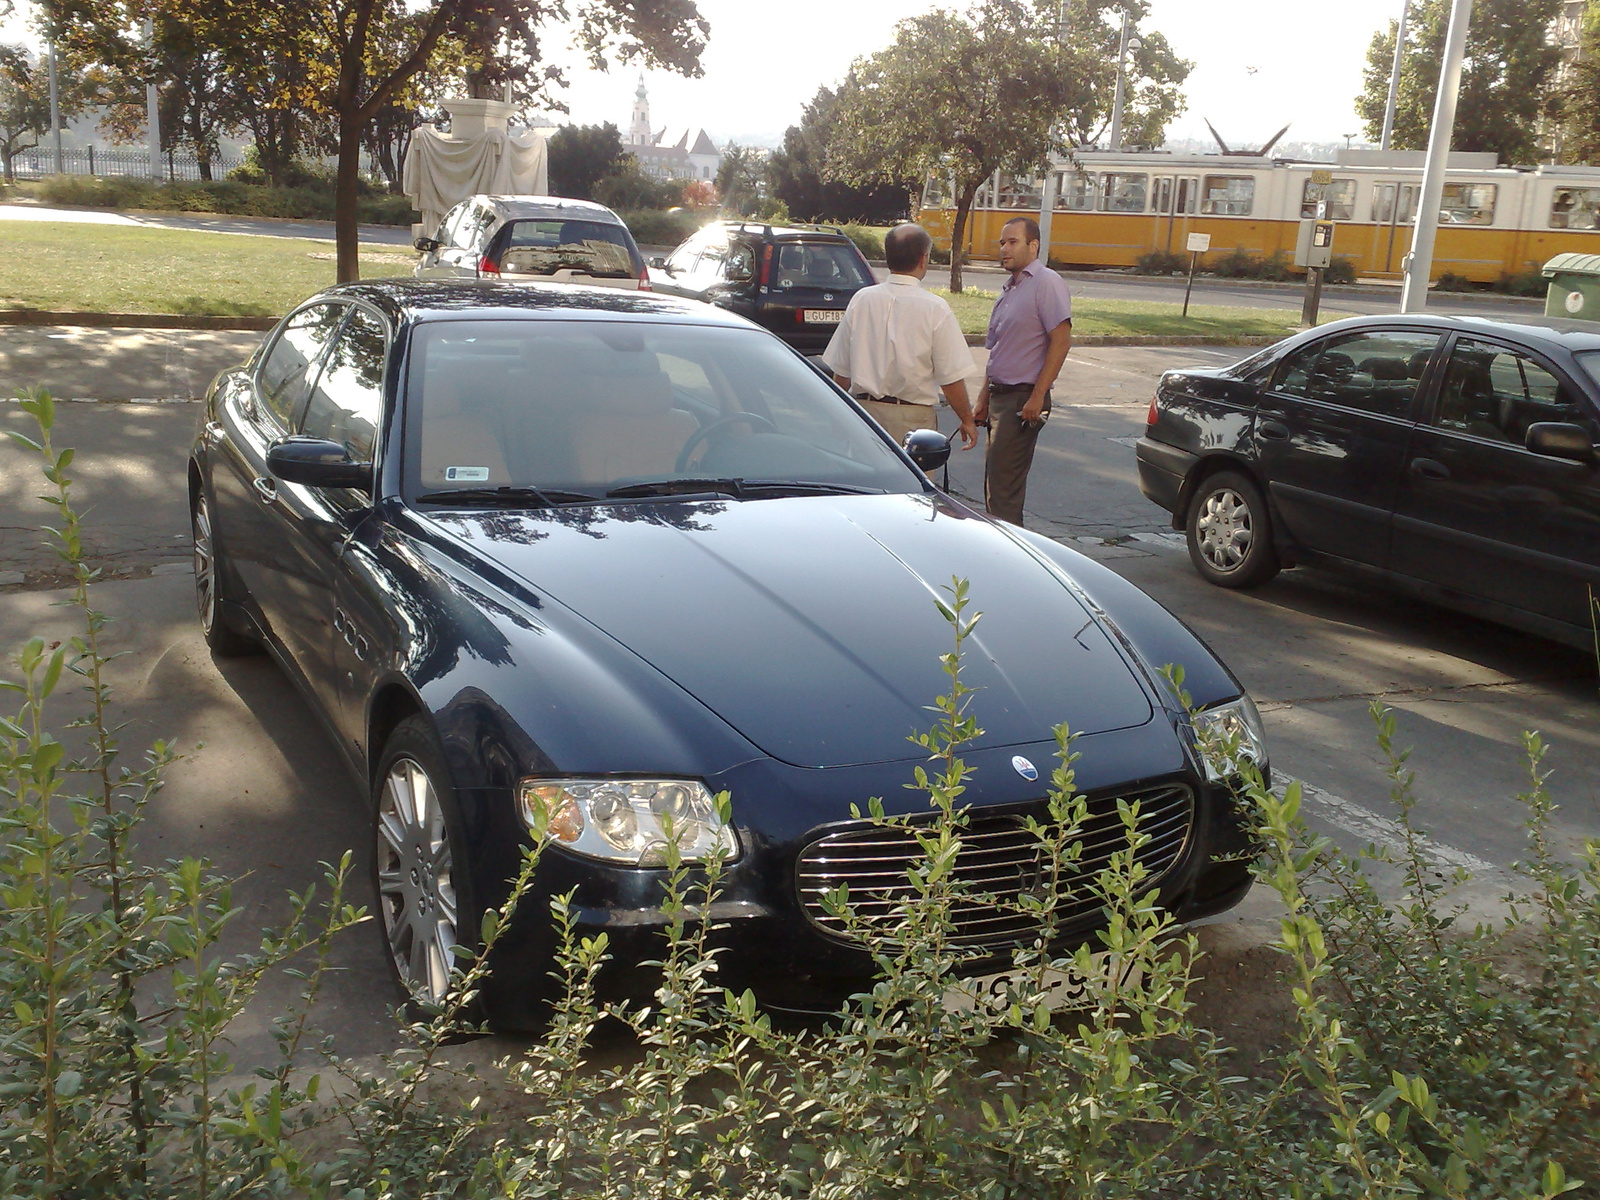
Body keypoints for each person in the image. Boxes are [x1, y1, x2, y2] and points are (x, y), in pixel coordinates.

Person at [822, 223, 979, 451]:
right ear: (923, 259)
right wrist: (967, 419)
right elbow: (951, 378)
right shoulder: (935, 308)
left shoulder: (861, 300)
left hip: (865, 415)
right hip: (912, 420)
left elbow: (842, 371)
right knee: (911, 484)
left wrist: (837, 414)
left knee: (869, 484)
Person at [975, 216, 1073, 526]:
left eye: (1012, 242)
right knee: (996, 483)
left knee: (1004, 491)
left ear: (1034, 245)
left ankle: (1008, 556)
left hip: (1022, 400)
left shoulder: (1047, 283)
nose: (1004, 248)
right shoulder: (1010, 289)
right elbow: (999, 350)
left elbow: (1061, 341)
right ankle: (1002, 549)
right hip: (999, 397)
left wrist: (1037, 395)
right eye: (1002, 242)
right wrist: (983, 398)